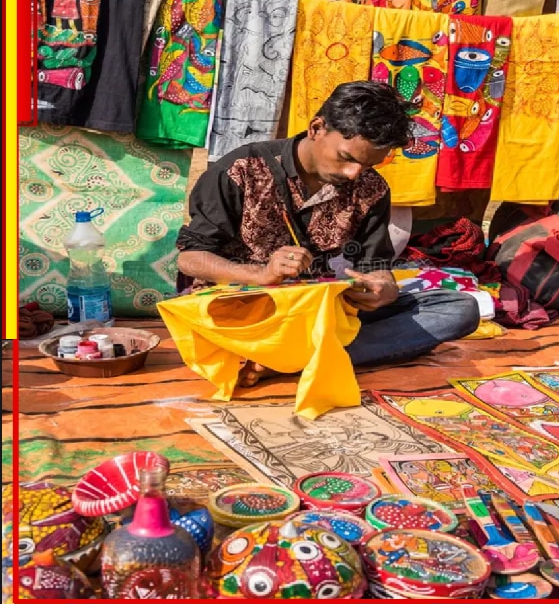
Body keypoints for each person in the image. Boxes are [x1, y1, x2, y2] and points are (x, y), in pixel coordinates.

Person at [175, 81, 480, 384]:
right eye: (347, 158)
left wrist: (383, 289)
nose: (353, 174)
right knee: (208, 318)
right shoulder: (241, 169)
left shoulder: (371, 188)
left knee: (460, 308)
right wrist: (260, 274)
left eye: (368, 164)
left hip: (320, 313)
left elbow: (374, 268)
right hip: (247, 315)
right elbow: (190, 259)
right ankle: (305, 355)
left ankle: (294, 361)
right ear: (316, 128)